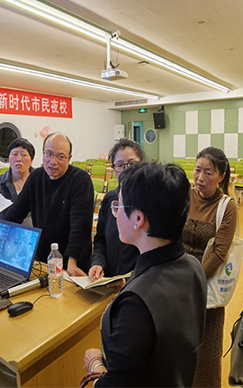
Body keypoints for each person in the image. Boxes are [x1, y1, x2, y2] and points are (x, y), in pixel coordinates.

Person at [83, 162, 207, 387]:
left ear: (138, 219)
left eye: (119, 206)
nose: (115, 213)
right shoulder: (193, 266)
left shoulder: (135, 304)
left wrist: (95, 364)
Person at [181, 146, 238, 388]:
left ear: (221, 176)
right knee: (177, 347)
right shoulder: (185, 196)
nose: (200, 178)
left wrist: (192, 282)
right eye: (197, 170)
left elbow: (219, 253)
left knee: (205, 354)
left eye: (208, 172)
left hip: (205, 286)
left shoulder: (227, 206)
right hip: (177, 281)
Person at [3, 133, 94, 276]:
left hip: (73, 264)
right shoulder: (36, 177)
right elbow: (16, 212)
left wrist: (72, 262)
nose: (53, 161)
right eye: (49, 154)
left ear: (69, 158)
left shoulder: (80, 180)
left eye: (61, 156)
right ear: (43, 152)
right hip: (44, 260)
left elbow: (80, 226)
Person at [89, 138, 146, 280]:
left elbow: (154, 254)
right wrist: (97, 263)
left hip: (139, 283)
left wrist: (128, 281)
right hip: (108, 281)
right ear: (113, 169)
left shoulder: (150, 201)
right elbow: (100, 240)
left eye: (132, 164)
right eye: (120, 165)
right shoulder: (109, 199)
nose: (126, 169)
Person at [0, 138, 35, 247]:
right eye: (14, 154)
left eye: (24, 155)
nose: (18, 159)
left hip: (35, 239)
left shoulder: (40, 180)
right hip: (8, 241)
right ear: (8, 158)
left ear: (31, 160)